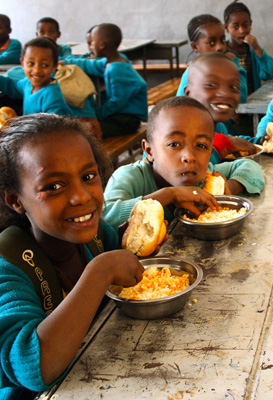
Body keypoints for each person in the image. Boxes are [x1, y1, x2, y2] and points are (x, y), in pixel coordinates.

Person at [0, 114, 143, 399]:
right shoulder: (8, 267)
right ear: (16, 200)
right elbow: (36, 368)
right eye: (53, 186)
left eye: (88, 177)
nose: (81, 196)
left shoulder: (99, 236)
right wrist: (100, 272)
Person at [102, 96, 265, 231]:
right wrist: (169, 195)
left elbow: (251, 166)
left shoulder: (203, 177)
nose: (189, 157)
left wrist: (226, 191)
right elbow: (105, 217)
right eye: (174, 144)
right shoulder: (129, 177)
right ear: (150, 151)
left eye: (201, 146)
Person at [63, 23, 147, 138]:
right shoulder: (114, 60)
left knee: (87, 133)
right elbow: (91, 64)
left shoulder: (116, 69)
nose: (90, 47)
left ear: (101, 45)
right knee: (86, 127)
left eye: (91, 42)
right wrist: (66, 61)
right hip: (120, 116)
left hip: (127, 120)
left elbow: (117, 102)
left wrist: (97, 114)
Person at [184, 52, 259, 162]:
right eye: (210, 85)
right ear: (188, 93)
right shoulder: (180, 130)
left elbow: (237, 142)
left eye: (233, 87)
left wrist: (263, 141)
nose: (225, 94)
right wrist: (226, 142)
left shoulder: (219, 127)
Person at [176, 14, 248, 103]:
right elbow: (179, 105)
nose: (219, 47)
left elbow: (242, 95)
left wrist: (234, 64)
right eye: (211, 43)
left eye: (222, 40)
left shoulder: (226, 69)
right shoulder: (191, 74)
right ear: (195, 47)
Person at [0, 37, 72, 116]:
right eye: (31, 63)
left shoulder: (52, 98)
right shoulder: (27, 83)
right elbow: (12, 86)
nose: (37, 70)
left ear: (54, 67)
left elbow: (54, 127)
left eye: (45, 65)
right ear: (22, 64)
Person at [223, 1, 273, 95]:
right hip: (230, 99)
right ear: (226, 28)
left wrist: (258, 50)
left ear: (251, 24)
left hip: (251, 102)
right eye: (236, 27)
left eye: (245, 25)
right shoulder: (222, 51)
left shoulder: (253, 50)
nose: (242, 31)